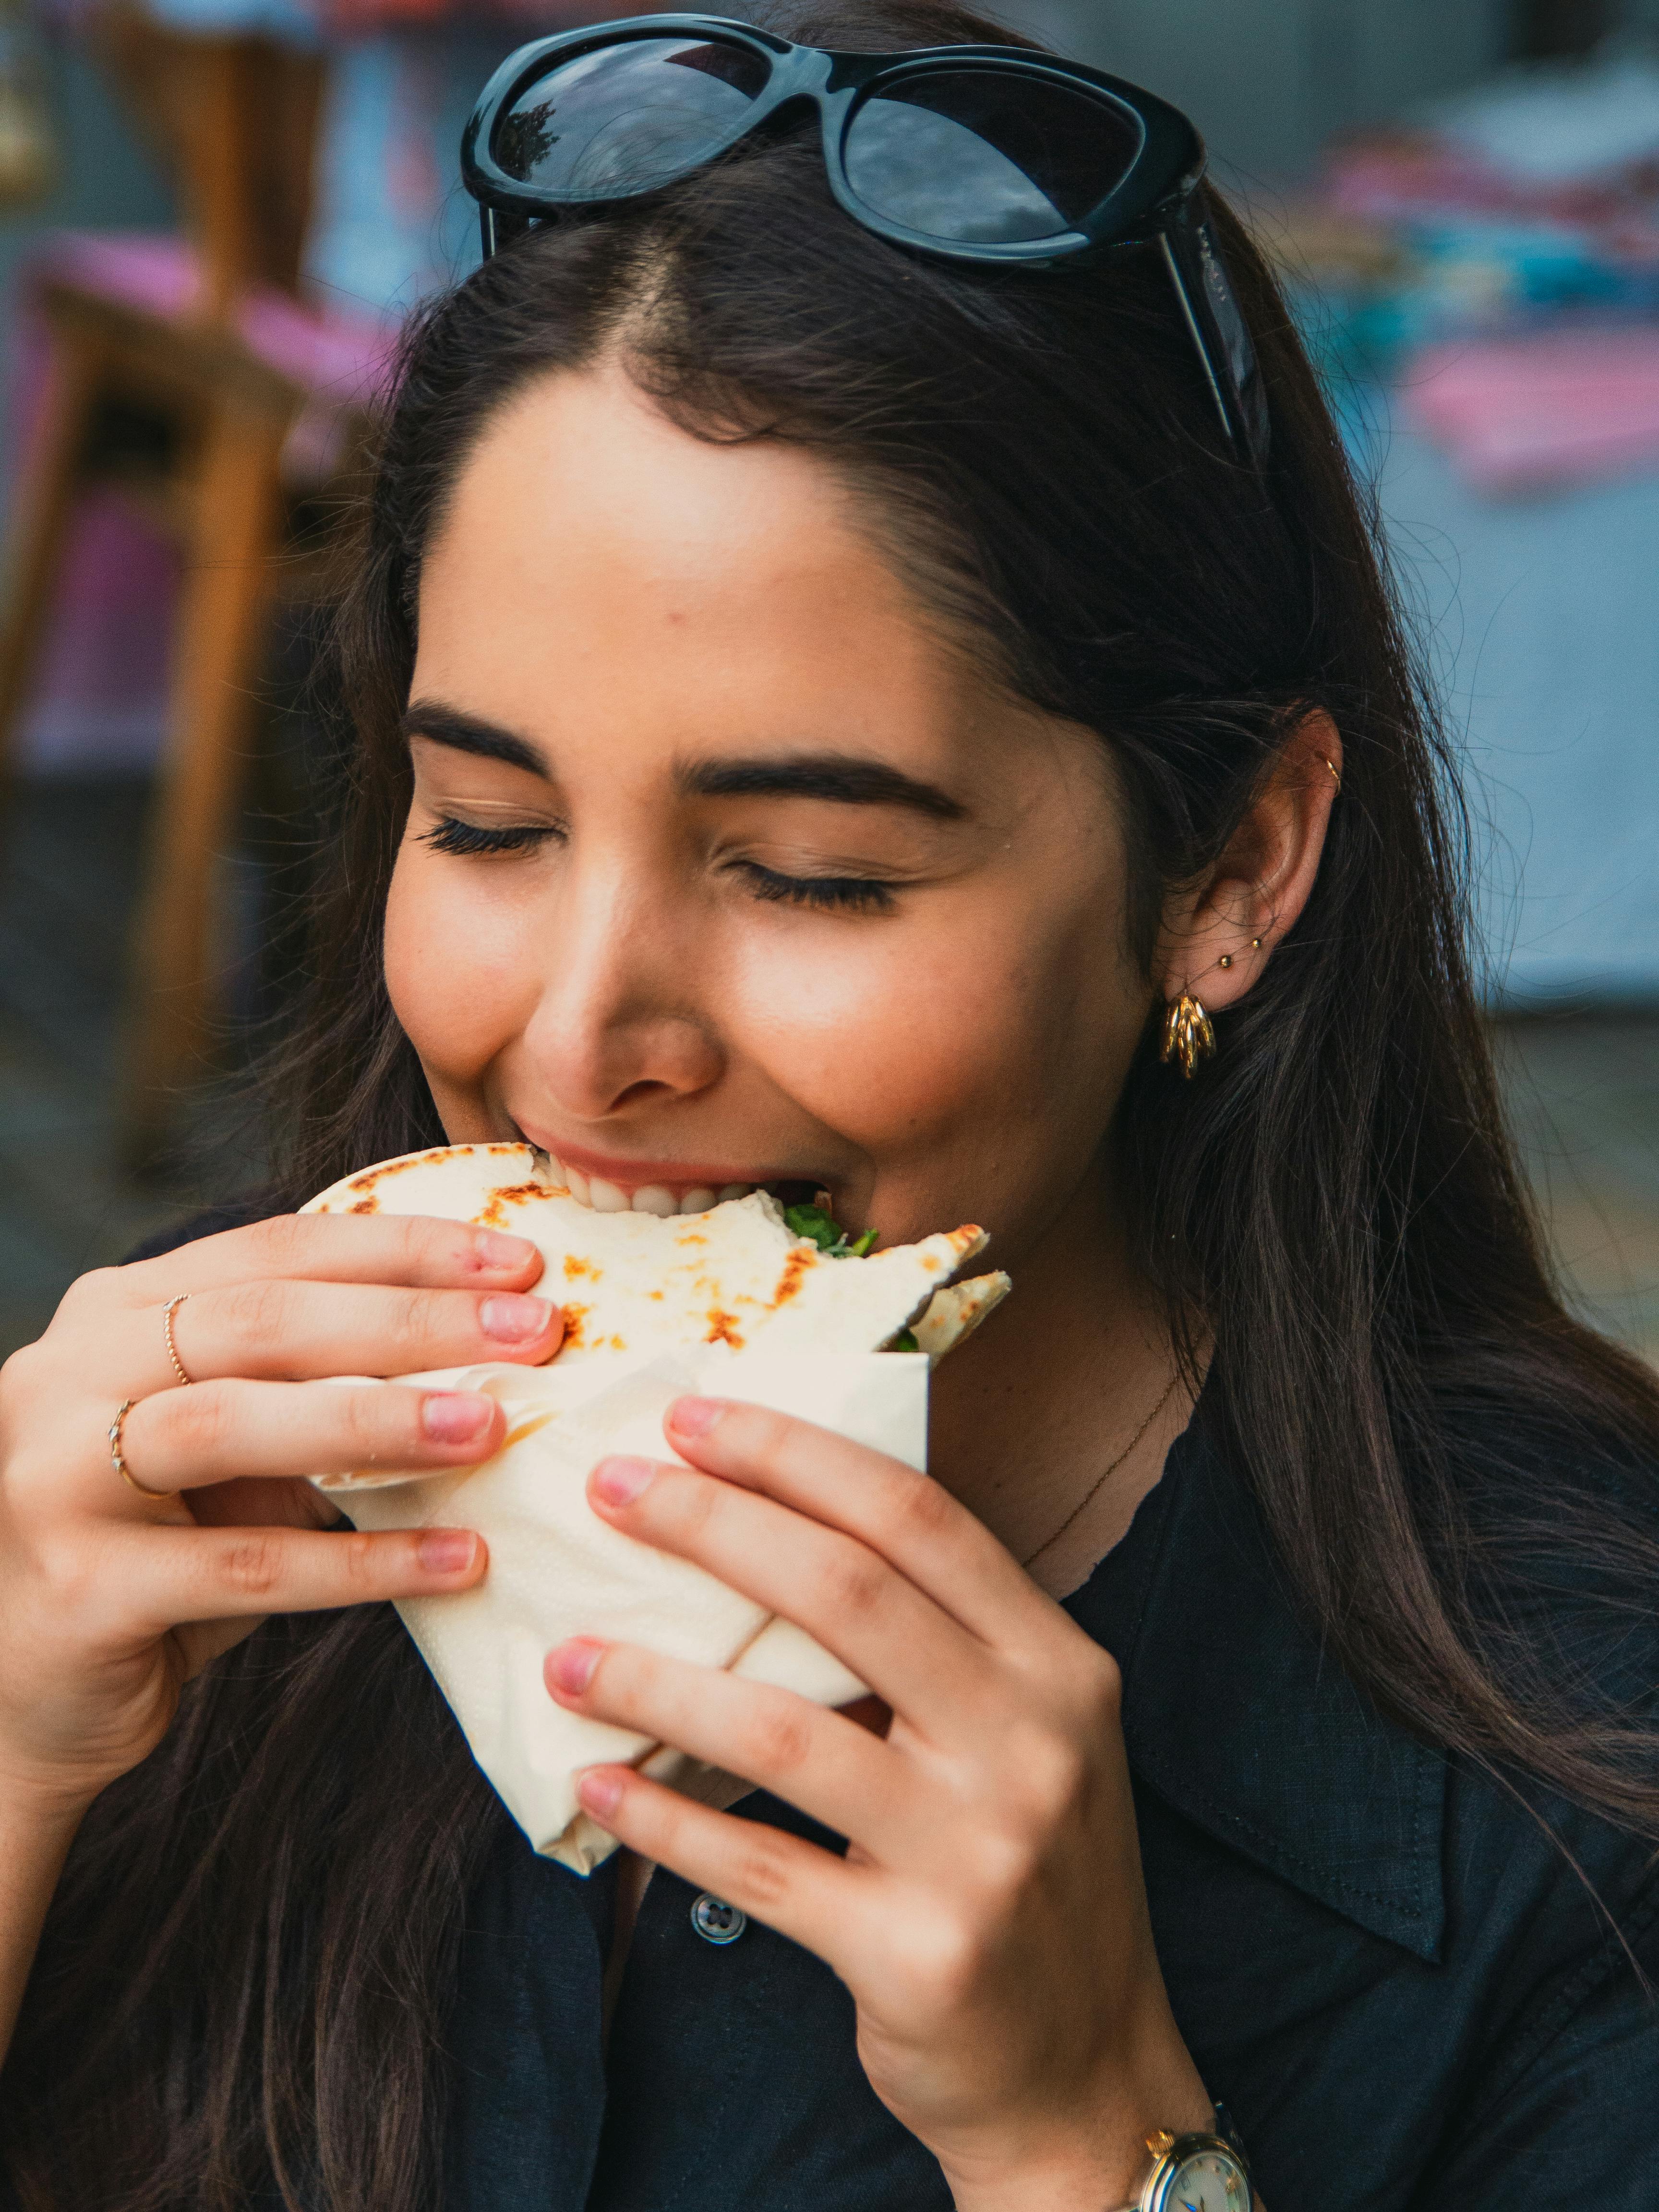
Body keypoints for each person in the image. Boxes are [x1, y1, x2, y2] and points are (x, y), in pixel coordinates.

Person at [2, 3, 1656, 2206]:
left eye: (811, 872)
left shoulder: (1593, 1779)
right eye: (486, 820)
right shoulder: (198, 1561)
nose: (581, 1039)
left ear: (1235, 868)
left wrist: (1100, 2140)